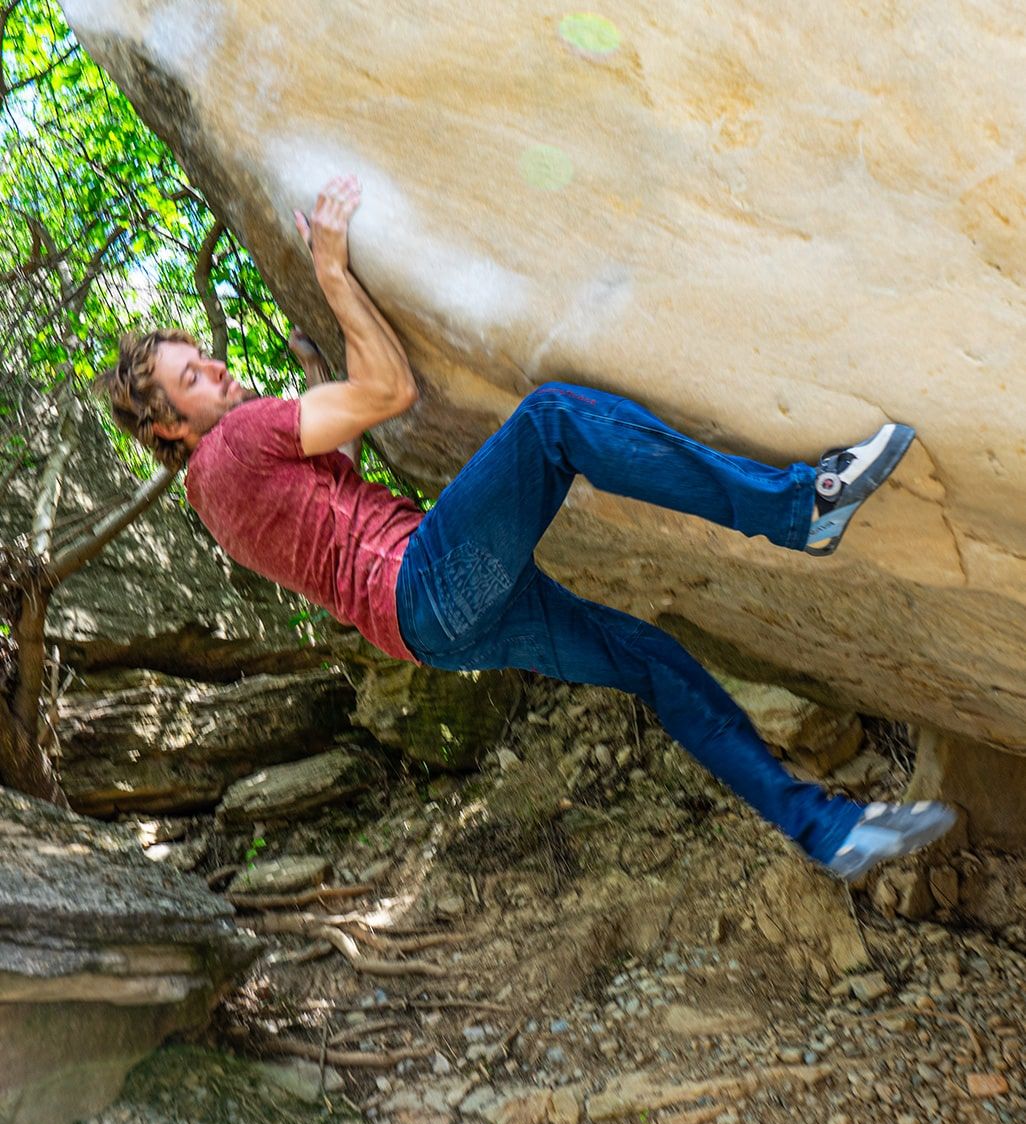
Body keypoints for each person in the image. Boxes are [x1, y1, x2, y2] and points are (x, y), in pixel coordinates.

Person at [100, 175, 955, 882]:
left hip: (432, 627)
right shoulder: (239, 443)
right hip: (425, 583)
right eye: (192, 376)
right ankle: (799, 508)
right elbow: (391, 396)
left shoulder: (213, 500)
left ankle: (821, 829)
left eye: (201, 356)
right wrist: (330, 270)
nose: (213, 365)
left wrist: (321, 368)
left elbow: (342, 466)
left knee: (653, 664)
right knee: (551, 422)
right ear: (170, 426)